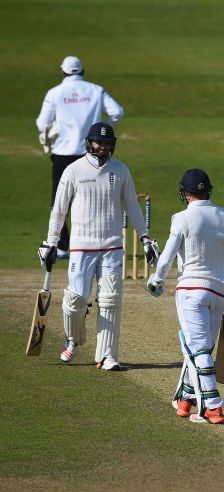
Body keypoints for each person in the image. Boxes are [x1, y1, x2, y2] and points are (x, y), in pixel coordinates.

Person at [38, 122, 159, 370]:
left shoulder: (121, 170)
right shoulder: (73, 171)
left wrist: (145, 237)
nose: (102, 147)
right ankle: (73, 340)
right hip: (82, 247)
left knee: (111, 300)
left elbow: (133, 207)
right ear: (89, 143)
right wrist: (51, 242)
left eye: (106, 143)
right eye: (98, 142)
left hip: (112, 247)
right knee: (75, 302)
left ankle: (107, 356)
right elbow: (59, 210)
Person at [146, 169, 224, 424]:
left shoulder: (181, 218)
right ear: (208, 190)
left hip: (190, 292)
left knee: (197, 348)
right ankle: (186, 399)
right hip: (219, 293)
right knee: (201, 347)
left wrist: (157, 280)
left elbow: (167, 255)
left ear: (185, 193)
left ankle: (213, 406)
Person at [36, 56, 124, 259]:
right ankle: (95, 241)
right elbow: (117, 112)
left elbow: (42, 123)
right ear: (82, 70)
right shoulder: (95, 89)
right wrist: (103, 132)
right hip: (91, 151)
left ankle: (61, 245)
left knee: (60, 201)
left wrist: (54, 130)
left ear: (63, 72)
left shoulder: (55, 93)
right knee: (94, 196)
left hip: (63, 153)